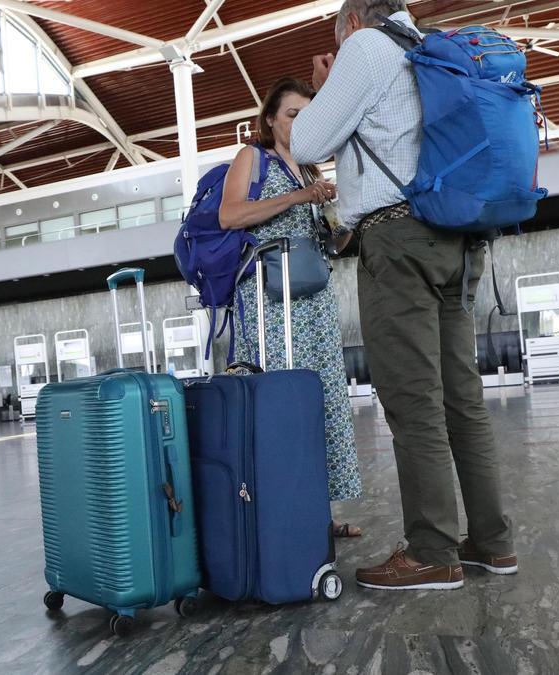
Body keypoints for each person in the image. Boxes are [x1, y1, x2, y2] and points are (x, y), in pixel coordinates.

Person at [290, 0, 516, 590]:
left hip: (398, 238)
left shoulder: (366, 48)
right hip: (458, 242)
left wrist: (327, 83)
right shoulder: (428, 47)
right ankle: (492, 542)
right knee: (461, 400)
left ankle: (432, 551)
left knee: (414, 401)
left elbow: (308, 142)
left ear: (352, 23)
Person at [219, 76, 363, 540]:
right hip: (269, 305)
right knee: (277, 404)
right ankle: (277, 513)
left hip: (314, 303)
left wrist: (338, 219)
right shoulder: (251, 158)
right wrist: (301, 197)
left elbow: (334, 243)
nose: (300, 123)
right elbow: (231, 215)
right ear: (270, 120)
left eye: (308, 115)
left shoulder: (309, 171)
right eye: (292, 114)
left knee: (319, 405)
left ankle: (317, 513)